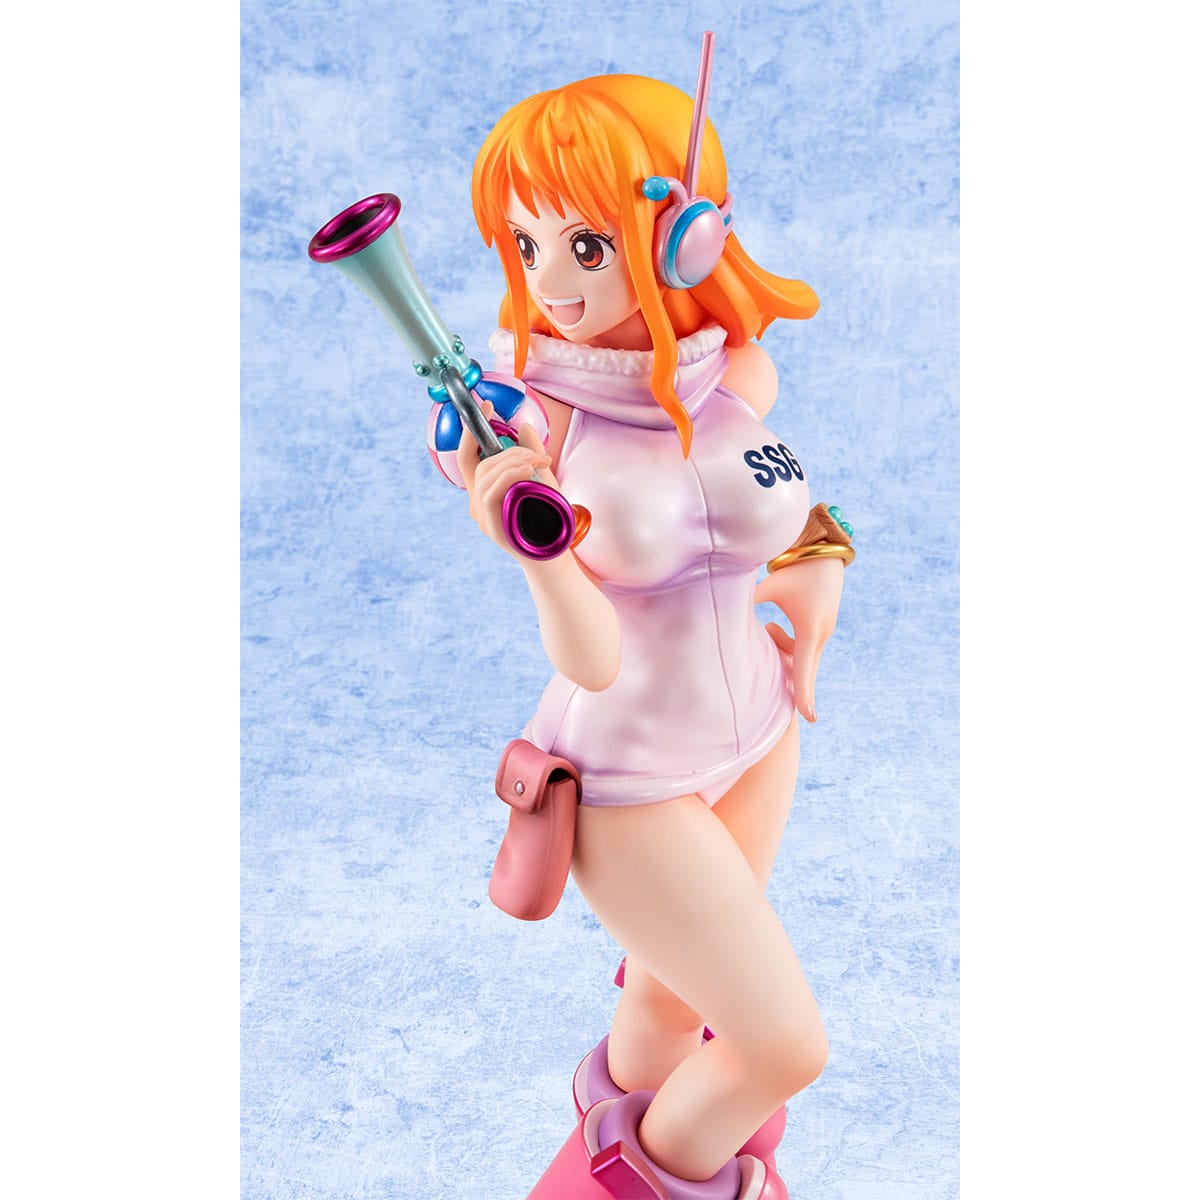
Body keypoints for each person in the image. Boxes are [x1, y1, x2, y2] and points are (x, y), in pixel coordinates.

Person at [456, 67, 852, 1200]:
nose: (549, 283)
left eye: (584, 245)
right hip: (627, 778)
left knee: (677, 998)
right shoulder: (532, 424)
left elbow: (773, 507)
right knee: (778, 1050)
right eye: (525, 245)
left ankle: (635, 1108)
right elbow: (590, 659)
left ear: (686, 238)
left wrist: (817, 564)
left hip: (760, 731)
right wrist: (539, 553)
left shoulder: (731, 373)